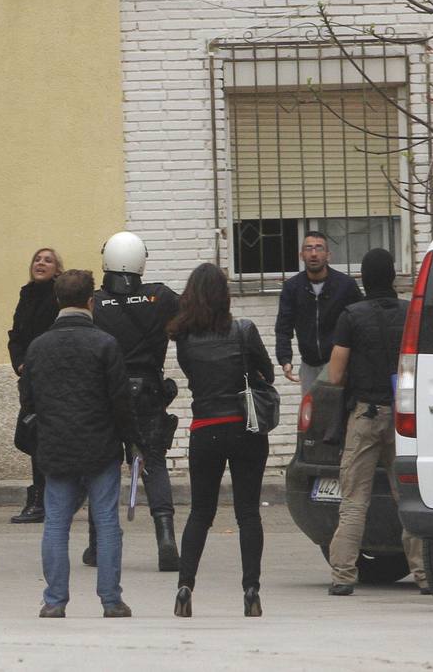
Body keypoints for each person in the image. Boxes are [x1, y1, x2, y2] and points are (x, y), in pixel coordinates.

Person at [19, 269, 141, 619]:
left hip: (55, 446)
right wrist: (133, 442)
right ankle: (111, 600)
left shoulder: (38, 346)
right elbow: (120, 400)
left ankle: (54, 601)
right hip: (100, 445)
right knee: (106, 521)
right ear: (91, 301)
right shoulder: (105, 343)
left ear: (57, 301)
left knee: (56, 524)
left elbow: (28, 399)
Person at [168, 262, 274, 619]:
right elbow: (268, 372)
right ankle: (251, 589)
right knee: (248, 513)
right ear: (224, 294)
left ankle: (185, 585)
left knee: (200, 513)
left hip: (204, 429)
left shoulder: (183, 339)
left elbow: (193, 375)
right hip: (244, 428)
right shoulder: (244, 330)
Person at [325, 247, 428, 596]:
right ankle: (426, 575)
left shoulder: (351, 316)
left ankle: (343, 575)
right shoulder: (410, 313)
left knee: (354, 499)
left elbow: (336, 375)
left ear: (364, 280)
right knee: (411, 498)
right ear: (393, 278)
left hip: (365, 415)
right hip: (404, 418)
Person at [89, 231, 180, 572]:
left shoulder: (94, 301)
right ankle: (166, 537)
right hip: (149, 392)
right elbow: (187, 324)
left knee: (103, 465)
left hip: (105, 393)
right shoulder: (160, 297)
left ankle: (98, 544)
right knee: (153, 462)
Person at [7, 246, 64, 524]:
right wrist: (19, 363)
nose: (40, 263)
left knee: (42, 436)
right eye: (37, 259)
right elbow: (16, 335)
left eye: (48, 260)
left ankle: (42, 499)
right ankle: (50, 494)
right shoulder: (26, 294)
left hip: (54, 376)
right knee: (29, 436)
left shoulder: (59, 296)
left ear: (57, 269)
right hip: (29, 376)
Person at [274, 231, 361, 397]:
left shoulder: (345, 285)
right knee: (312, 417)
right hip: (309, 366)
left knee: (339, 415)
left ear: (328, 255)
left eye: (319, 248)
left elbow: (359, 322)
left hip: (340, 364)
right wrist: (285, 360)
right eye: (308, 248)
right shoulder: (292, 288)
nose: (314, 254)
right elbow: (283, 328)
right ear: (301, 255)